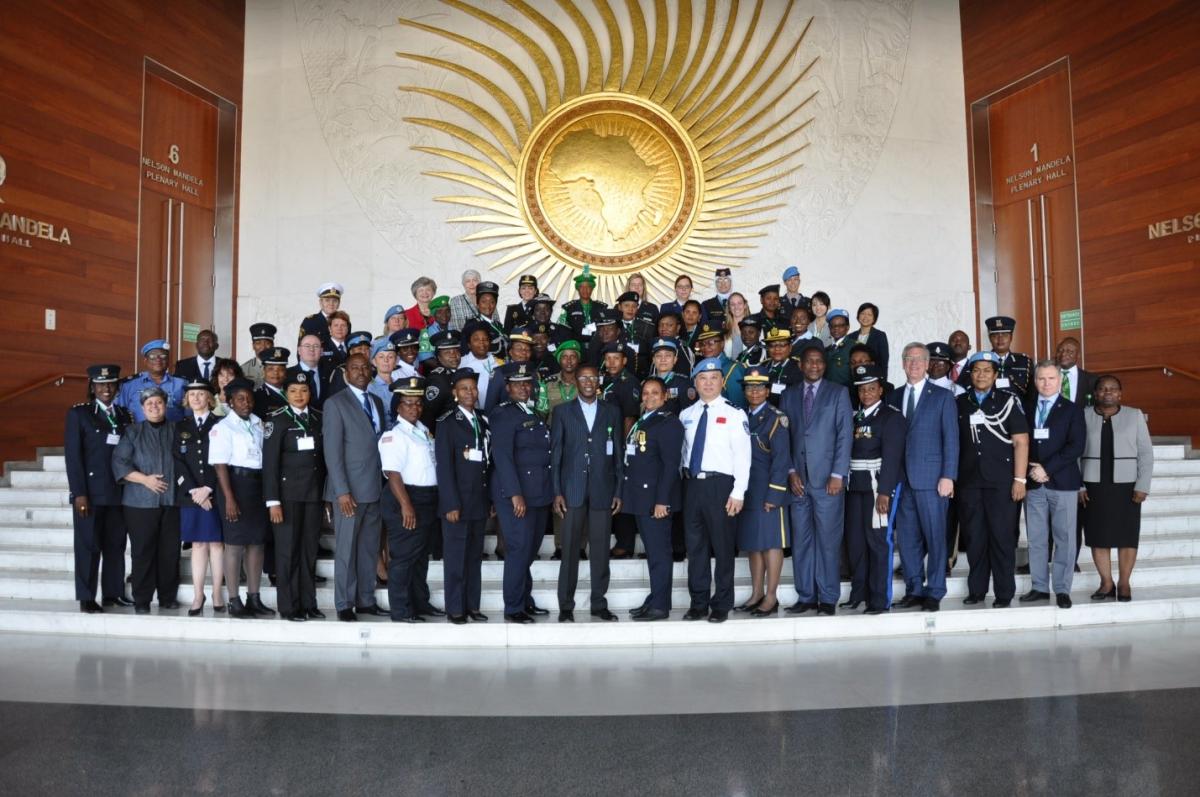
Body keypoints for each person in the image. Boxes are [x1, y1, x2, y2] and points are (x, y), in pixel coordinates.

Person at [886, 342, 958, 610]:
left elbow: (951, 439)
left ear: (928, 364)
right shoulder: (893, 397)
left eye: (919, 359)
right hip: (901, 481)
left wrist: (948, 475)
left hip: (932, 479)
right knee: (907, 539)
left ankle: (935, 590)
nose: (914, 364)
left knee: (935, 537)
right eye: (908, 359)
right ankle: (914, 589)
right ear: (902, 364)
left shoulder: (941, 396)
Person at [679, 358, 752, 623]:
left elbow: (743, 457)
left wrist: (739, 492)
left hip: (721, 486)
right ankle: (698, 602)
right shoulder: (686, 415)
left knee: (722, 547)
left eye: (713, 378)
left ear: (722, 382)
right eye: (702, 378)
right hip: (692, 486)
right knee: (695, 547)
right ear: (695, 382)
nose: (708, 383)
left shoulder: (735, 414)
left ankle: (721, 603)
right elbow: (683, 454)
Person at [782, 346, 852, 616]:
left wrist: (838, 474)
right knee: (802, 540)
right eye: (809, 362)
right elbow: (784, 438)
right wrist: (790, 471)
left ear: (825, 365)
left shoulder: (838, 393)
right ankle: (807, 596)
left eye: (819, 362)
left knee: (828, 540)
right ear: (801, 365)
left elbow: (845, 436)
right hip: (798, 481)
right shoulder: (788, 395)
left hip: (827, 482)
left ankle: (828, 597)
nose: (814, 366)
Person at [550, 363, 623, 622]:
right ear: (576, 382)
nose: (589, 381)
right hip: (572, 490)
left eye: (593, 377)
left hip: (603, 490)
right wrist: (556, 491)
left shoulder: (611, 411)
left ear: (599, 380)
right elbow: (556, 455)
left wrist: (618, 490)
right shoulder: (561, 412)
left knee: (601, 550)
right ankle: (566, 606)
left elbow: (618, 453)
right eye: (583, 378)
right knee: (569, 550)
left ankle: (598, 603)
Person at [956, 351, 1030, 608]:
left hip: (1002, 482)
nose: (981, 375)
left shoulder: (1009, 401)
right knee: (975, 538)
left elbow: (1021, 441)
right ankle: (976, 590)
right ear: (970, 373)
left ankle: (1003, 592)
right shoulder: (960, 402)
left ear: (996, 374)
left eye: (987, 370)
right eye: (977, 370)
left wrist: (1020, 480)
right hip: (969, 482)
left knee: (1002, 538)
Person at [321, 353, 386, 621]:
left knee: (369, 548)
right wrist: (341, 491)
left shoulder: (377, 402)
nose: (360, 372)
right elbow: (332, 452)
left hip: (375, 487)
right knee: (346, 549)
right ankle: (344, 603)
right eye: (354, 368)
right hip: (348, 491)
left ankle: (366, 599)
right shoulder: (335, 404)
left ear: (371, 372)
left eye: (364, 368)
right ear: (346, 373)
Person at [488, 364, 554, 623]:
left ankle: (525, 600)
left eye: (527, 383)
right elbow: (503, 457)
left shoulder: (533, 412)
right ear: (508, 388)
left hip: (537, 493)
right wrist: (515, 494)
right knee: (518, 549)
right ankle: (513, 607)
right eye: (518, 384)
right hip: (516, 495)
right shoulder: (503, 414)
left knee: (529, 550)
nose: (524, 388)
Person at [1081, 375, 1153, 602]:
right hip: (1093, 486)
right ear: (1096, 393)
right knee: (1098, 536)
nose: (1107, 392)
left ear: (1120, 394)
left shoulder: (1134, 415)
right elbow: (1073, 453)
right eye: (1102, 389)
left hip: (1127, 486)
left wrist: (1142, 485)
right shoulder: (1083, 415)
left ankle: (1123, 582)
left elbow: (1146, 453)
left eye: (1113, 389)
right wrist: (1078, 485)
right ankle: (1106, 582)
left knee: (1126, 536)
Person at [65, 364, 132, 613]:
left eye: (111, 384)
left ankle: (113, 593)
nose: (106, 389)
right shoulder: (79, 414)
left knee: (115, 545)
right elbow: (73, 458)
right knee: (88, 546)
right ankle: (86, 596)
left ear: (117, 387)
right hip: (91, 494)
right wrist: (78, 493)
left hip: (118, 491)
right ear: (92, 387)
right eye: (101, 384)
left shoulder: (125, 415)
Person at [1020, 361, 1085, 609]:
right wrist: (1031, 470)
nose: (1046, 383)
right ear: (1035, 382)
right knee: (1036, 538)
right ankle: (1039, 587)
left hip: (1062, 482)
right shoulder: (1025, 408)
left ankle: (1061, 589)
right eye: (1041, 379)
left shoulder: (1072, 409)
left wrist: (1047, 468)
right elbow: (1019, 443)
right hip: (1033, 482)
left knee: (1065, 538)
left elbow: (1075, 446)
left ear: (1059, 381)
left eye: (1051, 379)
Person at [262, 370, 326, 621]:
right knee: (288, 552)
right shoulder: (276, 420)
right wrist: (272, 501)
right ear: (285, 394)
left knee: (309, 551)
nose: (299, 395)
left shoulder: (319, 419)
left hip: (313, 495)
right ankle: (289, 606)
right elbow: (270, 465)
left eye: (304, 390)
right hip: (286, 498)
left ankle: (308, 602)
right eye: (293, 391)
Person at [842, 364, 905, 614]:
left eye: (871, 388)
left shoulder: (891, 417)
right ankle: (859, 593)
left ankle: (879, 599)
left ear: (880, 389)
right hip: (855, 486)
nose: (866, 393)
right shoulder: (855, 416)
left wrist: (885, 492)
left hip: (878, 486)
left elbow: (893, 458)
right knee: (856, 543)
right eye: (862, 389)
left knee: (878, 542)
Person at [111, 386, 180, 613]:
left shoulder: (176, 430)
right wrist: (145, 480)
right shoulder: (133, 431)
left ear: (165, 405)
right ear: (142, 408)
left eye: (158, 402)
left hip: (171, 501)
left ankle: (168, 597)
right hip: (139, 503)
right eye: (149, 404)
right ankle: (142, 600)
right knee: (142, 552)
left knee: (169, 552)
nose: (154, 407)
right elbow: (120, 463)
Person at [378, 376, 441, 622]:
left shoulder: (423, 430)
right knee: (403, 557)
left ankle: (420, 603)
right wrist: (406, 505)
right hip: (405, 498)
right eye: (408, 404)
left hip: (426, 498)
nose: (414, 408)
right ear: (397, 407)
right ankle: (401, 609)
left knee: (420, 557)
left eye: (418, 403)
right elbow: (393, 474)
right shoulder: (394, 436)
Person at [208, 378, 272, 619]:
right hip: (234, 486)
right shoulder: (223, 428)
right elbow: (220, 466)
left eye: (249, 398)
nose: (246, 403)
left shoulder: (258, 423)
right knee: (235, 545)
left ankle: (254, 598)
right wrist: (230, 498)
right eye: (240, 399)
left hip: (257, 486)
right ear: (230, 402)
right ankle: (234, 600)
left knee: (257, 543)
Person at [623, 378, 684, 621]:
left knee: (659, 554)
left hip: (656, 501)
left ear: (665, 395)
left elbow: (671, 466)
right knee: (653, 552)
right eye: (646, 393)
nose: (649, 397)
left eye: (655, 393)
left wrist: (662, 501)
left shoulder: (668, 424)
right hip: (641, 498)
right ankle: (655, 598)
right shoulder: (644, 420)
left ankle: (660, 606)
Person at [733, 367, 793, 618]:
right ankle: (757, 593)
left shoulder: (776, 418)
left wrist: (774, 495)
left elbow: (781, 461)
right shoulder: (741, 416)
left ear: (768, 391)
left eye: (759, 387)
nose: (754, 392)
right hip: (747, 491)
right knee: (753, 545)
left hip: (769, 491)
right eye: (749, 387)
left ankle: (771, 596)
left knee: (771, 544)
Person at [434, 368, 491, 624]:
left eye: (473, 388)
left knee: (474, 557)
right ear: (455, 393)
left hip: (479, 500)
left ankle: (472, 605)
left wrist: (489, 499)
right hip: (457, 503)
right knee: (456, 558)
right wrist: (450, 503)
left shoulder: (483, 419)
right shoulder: (446, 423)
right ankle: (455, 608)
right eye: (465, 389)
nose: (470, 392)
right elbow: (444, 468)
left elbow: (487, 462)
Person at [174, 379, 223, 616]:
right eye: (191, 395)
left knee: (216, 543)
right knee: (198, 544)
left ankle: (216, 593)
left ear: (209, 398)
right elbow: (178, 462)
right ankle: (197, 594)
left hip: (215, 495)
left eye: (200, 394)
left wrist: (209, 489)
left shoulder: (221, 423)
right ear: (187, 399)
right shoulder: (179, 426)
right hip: (192, 496)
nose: (196, 398)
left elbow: (224, 459)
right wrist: (195, 490)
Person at [117, 339, 188, 422]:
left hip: (173, 433)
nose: (158, 359)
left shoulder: (181, 384)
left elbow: (189, 415)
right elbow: (119, 412)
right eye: (152, 357)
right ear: (145, 361)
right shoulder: (130, 385)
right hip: (138, 433)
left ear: (168, 361)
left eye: (163, 356)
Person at [964, 316, 1032, 399]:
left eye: (1005, 335)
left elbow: (1031, 393)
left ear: (1011, 337)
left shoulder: (1024, 362)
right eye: (995, 335)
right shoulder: (980, 362)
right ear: (990, 338)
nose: (1000, 339)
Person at [694, 321, 746, 408]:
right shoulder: (700, 367)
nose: (706, 347)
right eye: (702, 344)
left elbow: (737, 405)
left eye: (711, 343)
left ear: (722, 343)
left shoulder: (733, 369)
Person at [422, 330, 462, 432]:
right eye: (447, 352)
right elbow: (428, 416)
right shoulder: (437, 380)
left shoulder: (460, 374)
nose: (453, 355)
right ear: (438, 357)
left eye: (456, 351)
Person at [460, 320, 504, 410]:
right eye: (476, 339)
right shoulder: (462, 364)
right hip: (475, 412)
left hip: (498, 411)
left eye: (485, 339)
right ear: (469, 344)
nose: (482, 343)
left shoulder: (499, 363)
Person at [559, 267, 608, 344]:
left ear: (592, 289)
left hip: (597, 346)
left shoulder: (601, 308)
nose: (585, 290)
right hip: (575, 347)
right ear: (577, 288)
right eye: (581, 287)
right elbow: (561, 329)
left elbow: (606, 330)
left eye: (588, 287)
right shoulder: (569, 308)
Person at [761, 327, 802, 407]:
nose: (777, 349)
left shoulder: (798, 368)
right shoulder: (763, 366)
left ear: (790, 348)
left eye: (782, 345)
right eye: (772, 345)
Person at [287, 335, 330, 408]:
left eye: (316, 346)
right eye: (307, 346)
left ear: (321, 351)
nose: (312, 349)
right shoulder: (288, 374)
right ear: (299, 350)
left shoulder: (329, 373)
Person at [1055, 336, 1096, 407]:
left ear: (1078, 355)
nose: (1063, 354)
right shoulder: (1046, 378)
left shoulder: (1091, 380)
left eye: (1069, 351)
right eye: (1060, 350)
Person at [469, 282, 507, 357]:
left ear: (495, 304)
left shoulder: (497, 324)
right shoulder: (473, 325)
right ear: (477, 304)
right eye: (483, 302)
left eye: (492, 302)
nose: (488, 306)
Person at [848, 303, 889, 373]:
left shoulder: (880, 336)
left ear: (874, 318)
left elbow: (883, 362)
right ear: (858, 316)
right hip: (853, 378)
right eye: (863, 313)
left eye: (869, 314)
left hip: (873, 378)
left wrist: (882, 382)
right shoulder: (850, 336)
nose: (865, 317)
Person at [299, 281, 343, 346]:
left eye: (335, 301)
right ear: (320, 302)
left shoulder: (344, 322)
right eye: (327, 300)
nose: (331, 304)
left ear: (339, 303)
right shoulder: (309, 322)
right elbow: (301, 350)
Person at [252, 346, 289, 419]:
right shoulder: (257, 396)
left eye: (280, 369)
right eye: (270, 369)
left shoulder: (292, 391)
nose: (275, 373)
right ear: (263, 371)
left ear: (285, 372)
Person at [368, 337, 398, 425]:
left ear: (396, 362)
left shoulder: (400, 385)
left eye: (390, 356)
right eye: (381, 357)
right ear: (374, 362)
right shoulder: (370, 388)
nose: (386, 360)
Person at [417, 296, 453, 365]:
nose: (444, 315)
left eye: (447, 311)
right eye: (439, 312)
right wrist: (447, 368)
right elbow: (426, 359)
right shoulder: (426, 333)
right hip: (437, 371)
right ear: (434, 314)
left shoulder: (455, 329)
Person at [823, 309, 854, 386]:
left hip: (846, 393)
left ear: (847, 327)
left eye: (841, 325)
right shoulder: (826, 349)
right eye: (833, 325)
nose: (836, 328)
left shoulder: (854, 347)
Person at [241, 323, 276, 387]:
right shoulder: (243, 369)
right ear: (253, 346)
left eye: (267, 343)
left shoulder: (278, 368)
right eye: (258, 343)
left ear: (273, 345)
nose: (263, 347)